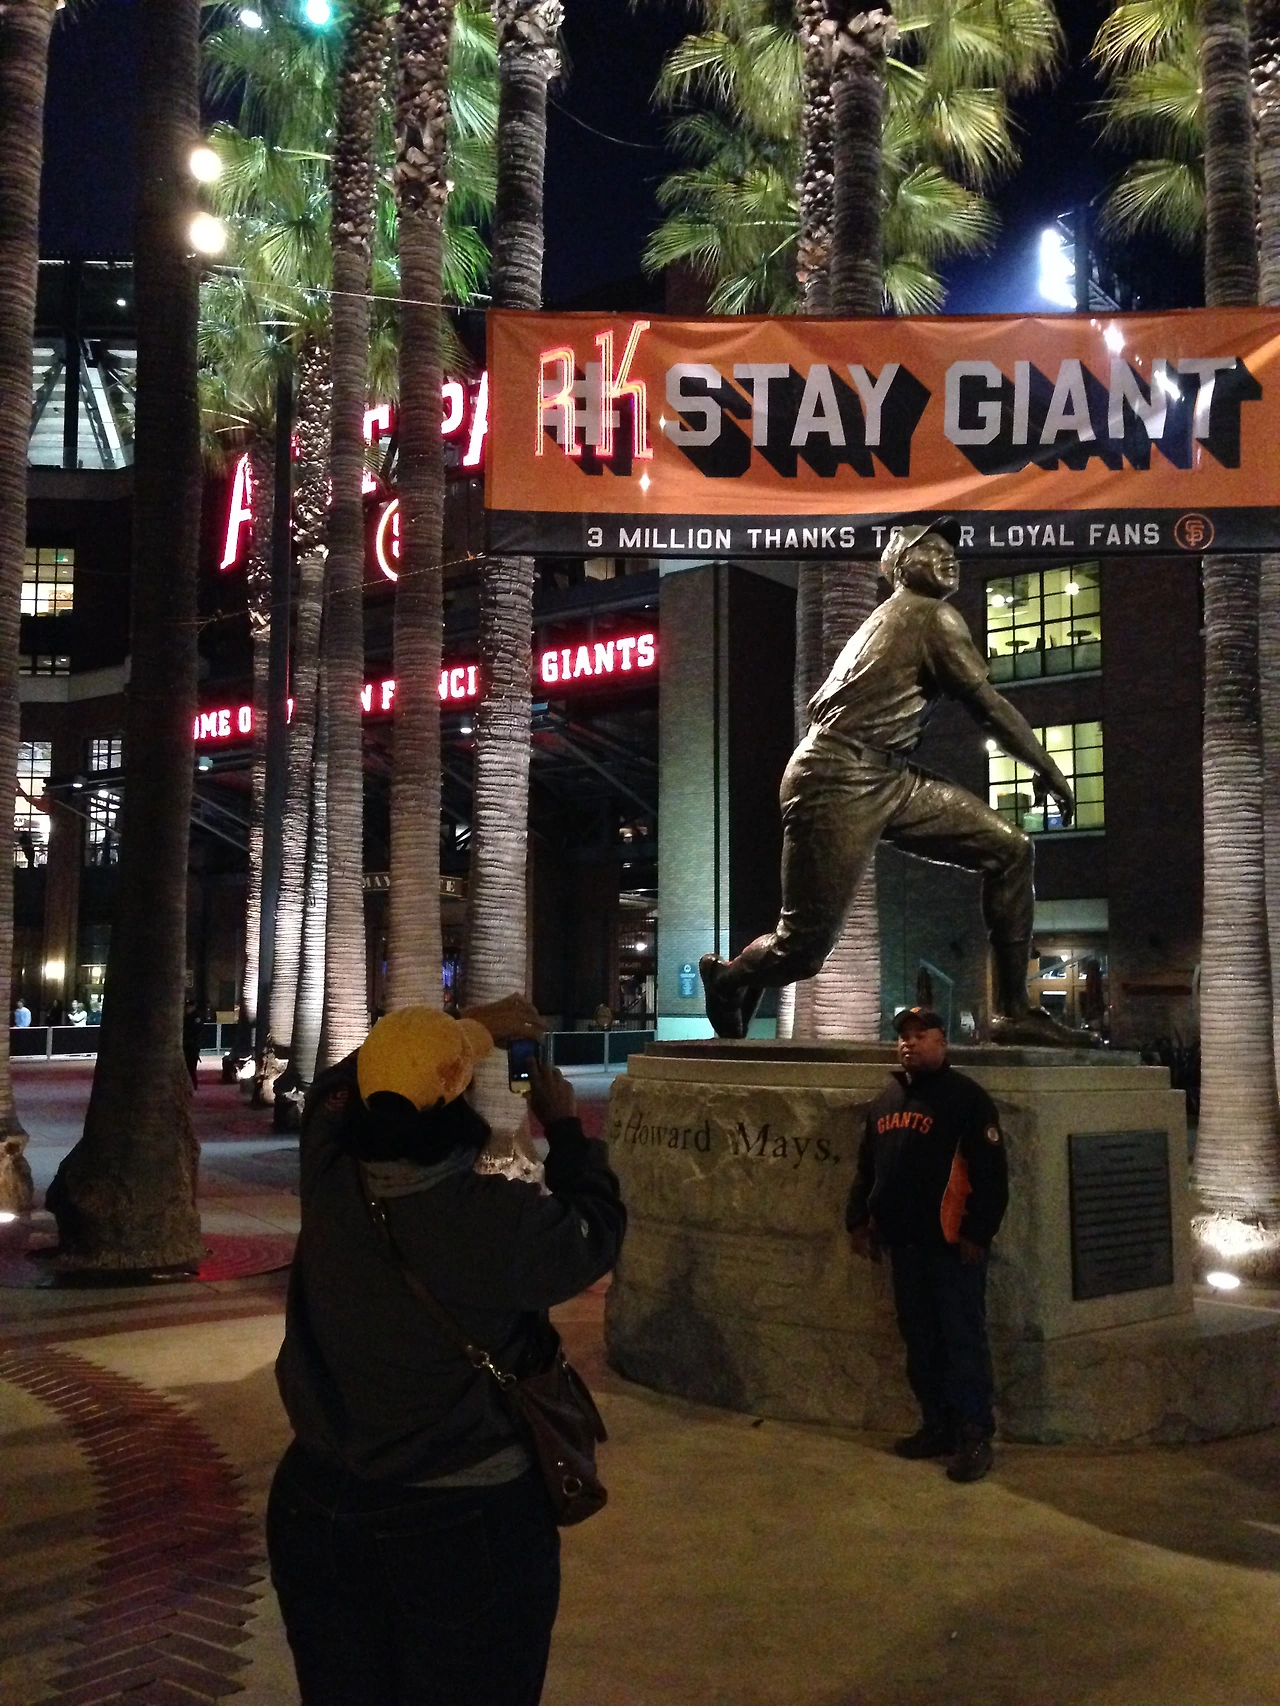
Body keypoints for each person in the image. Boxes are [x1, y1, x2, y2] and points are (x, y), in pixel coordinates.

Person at [266, 994, 626, 1706]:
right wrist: (562, 1126)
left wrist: (466, 1030)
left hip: (317, 1503)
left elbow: (338, 1083)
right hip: (462, 1519)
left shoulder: (329, 1170)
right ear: (455, 1107)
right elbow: (599, 1226)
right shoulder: (496, 1221)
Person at [699, 525, 1088, 1048]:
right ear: (901, 563)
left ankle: (1015, 1011)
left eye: (952, 551)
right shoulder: (928, 616)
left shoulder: (900, 617)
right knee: (803, 950)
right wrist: (1048, 766)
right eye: (932, 549)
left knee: (1011, 850)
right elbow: (988, 708)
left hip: (888, 775)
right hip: (837, 775)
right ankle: (727, 980)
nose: (949, 557)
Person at [846, 1006, 1008, 1484]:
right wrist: (859, 1220)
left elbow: (992, 1175)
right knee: (920, 1340)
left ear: (943, 1042)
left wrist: (977, 1233)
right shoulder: (888, 1098)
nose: (910, 1043)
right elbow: (868, 1166)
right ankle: (936, 1424)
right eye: (905, 1036)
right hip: (905, 1245)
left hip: (951, 1246)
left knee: (962, 1340)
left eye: (922, 1035)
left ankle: (973, 1434)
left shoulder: (967, 1099)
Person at [182, 998, 202, 1090]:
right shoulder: (187, 1017)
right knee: (188, 1066)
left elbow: (197, 1031)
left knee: (191, 1067)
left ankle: (194, 1085)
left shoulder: (196, 1017)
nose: (187, 1009)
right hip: (187, 1045)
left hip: (193, 1046)